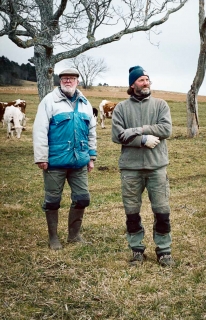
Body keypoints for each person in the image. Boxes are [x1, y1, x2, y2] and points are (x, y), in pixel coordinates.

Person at [112, 66, 174, 267]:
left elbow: (166, 129)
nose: (146, 83)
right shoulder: (121, 108)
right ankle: (136, 250)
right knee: (132, 211)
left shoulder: (160, 105)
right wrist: (142, 140)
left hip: (157, 167)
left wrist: (139, 130)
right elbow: (117, 136)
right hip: (130, 169)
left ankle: (164, 251)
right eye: (141, 80)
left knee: (162, 210)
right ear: (132, 84)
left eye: (147, 79)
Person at [33, 68, 97, 250]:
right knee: (52, 201)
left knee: (83, 198)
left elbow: (91, 132)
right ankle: (53, 238)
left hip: (79, 162)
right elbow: (39, 131)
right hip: (55, 162)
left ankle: (74, 236)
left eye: (71, 78)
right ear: (59, 81)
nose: (68, 81)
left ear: (78, 81)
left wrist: (91, 157)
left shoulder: (85, 103)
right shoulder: (49, 102)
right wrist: (41, 157)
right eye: (64, 78)